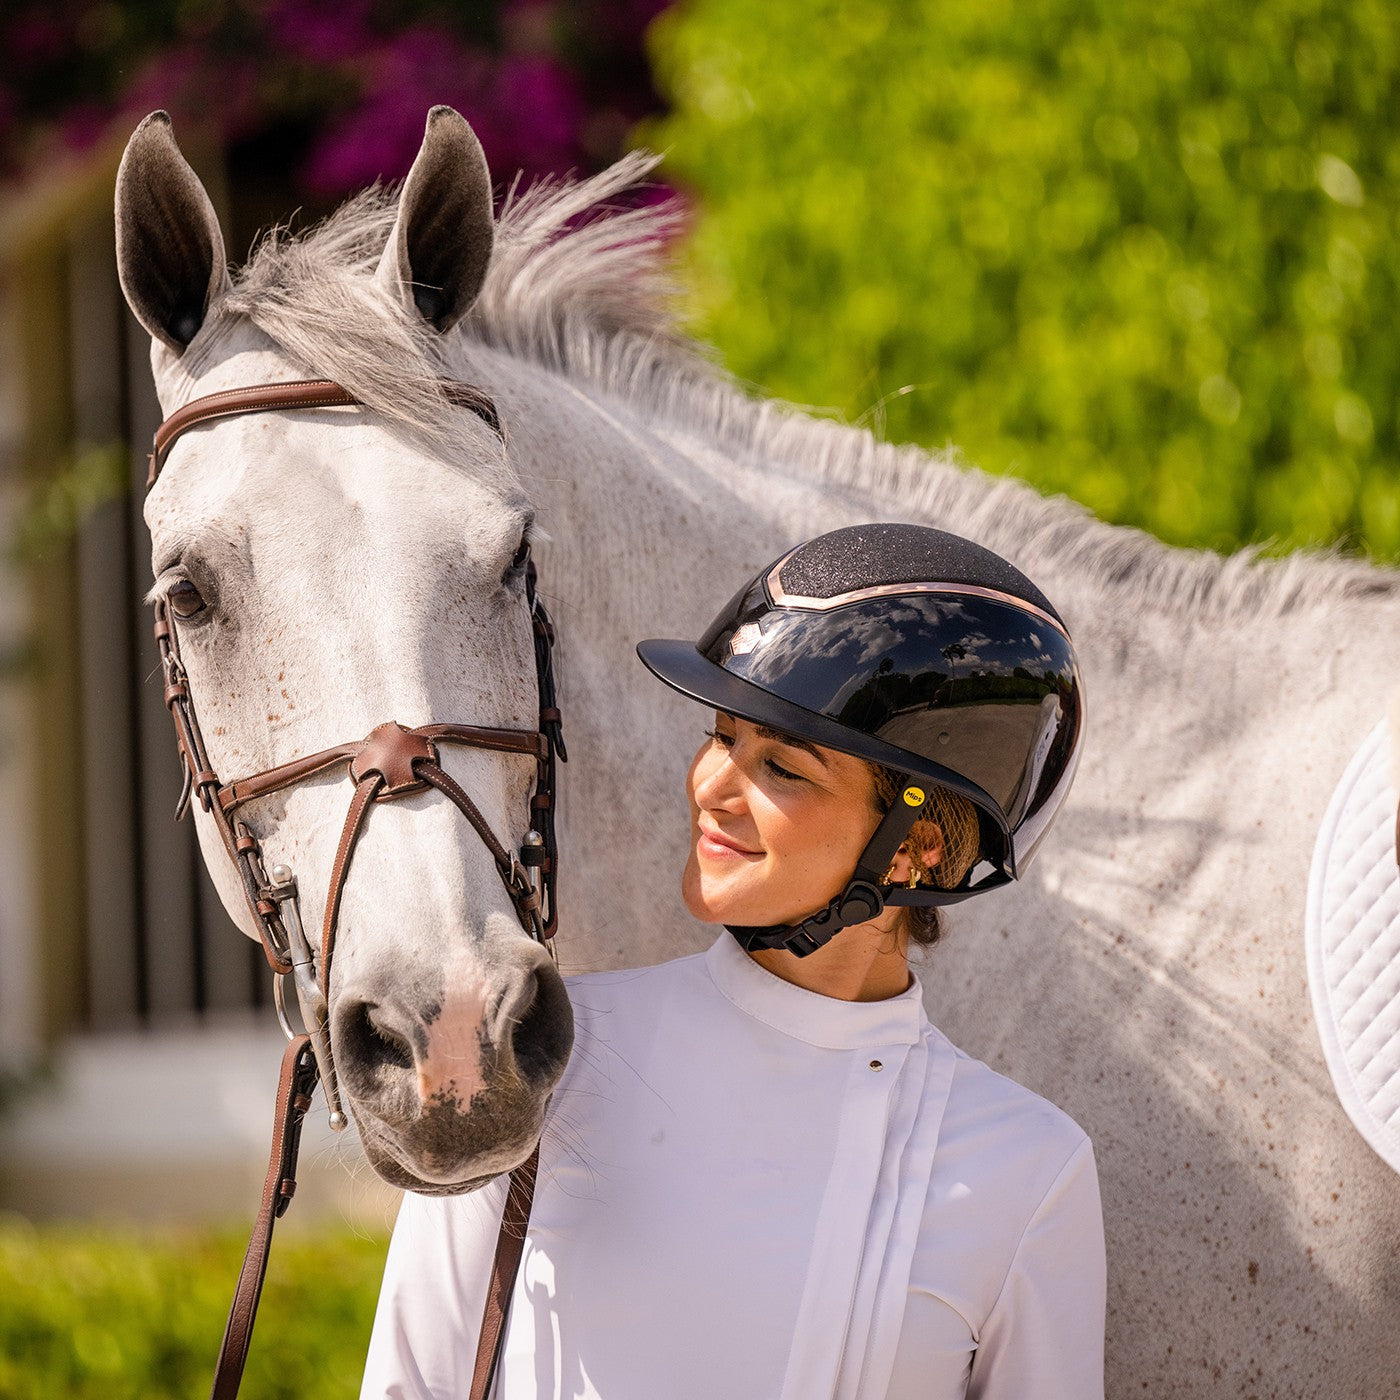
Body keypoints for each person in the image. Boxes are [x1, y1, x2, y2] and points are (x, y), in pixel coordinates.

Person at [361, 523, 1106, 1400]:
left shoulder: (1027, 1168)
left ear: (915, 848)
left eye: (781, 767)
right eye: (721, 735)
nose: (710, 787)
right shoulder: (540, 1054)